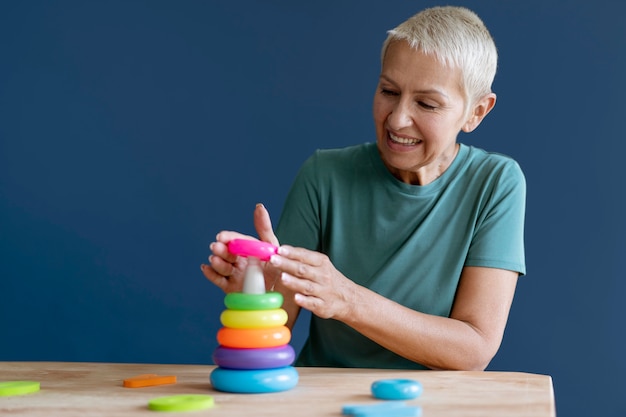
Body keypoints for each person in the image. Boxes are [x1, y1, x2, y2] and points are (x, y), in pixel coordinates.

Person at [201, 5, 526, 371]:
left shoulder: (495, 182)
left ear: (476, 113)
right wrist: (256, 290)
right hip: (323, 398)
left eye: (426, 103)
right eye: (389, 91)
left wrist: (347, 300)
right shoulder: (323, 174)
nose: (398, 118)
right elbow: (277, 328)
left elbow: (474, 349)